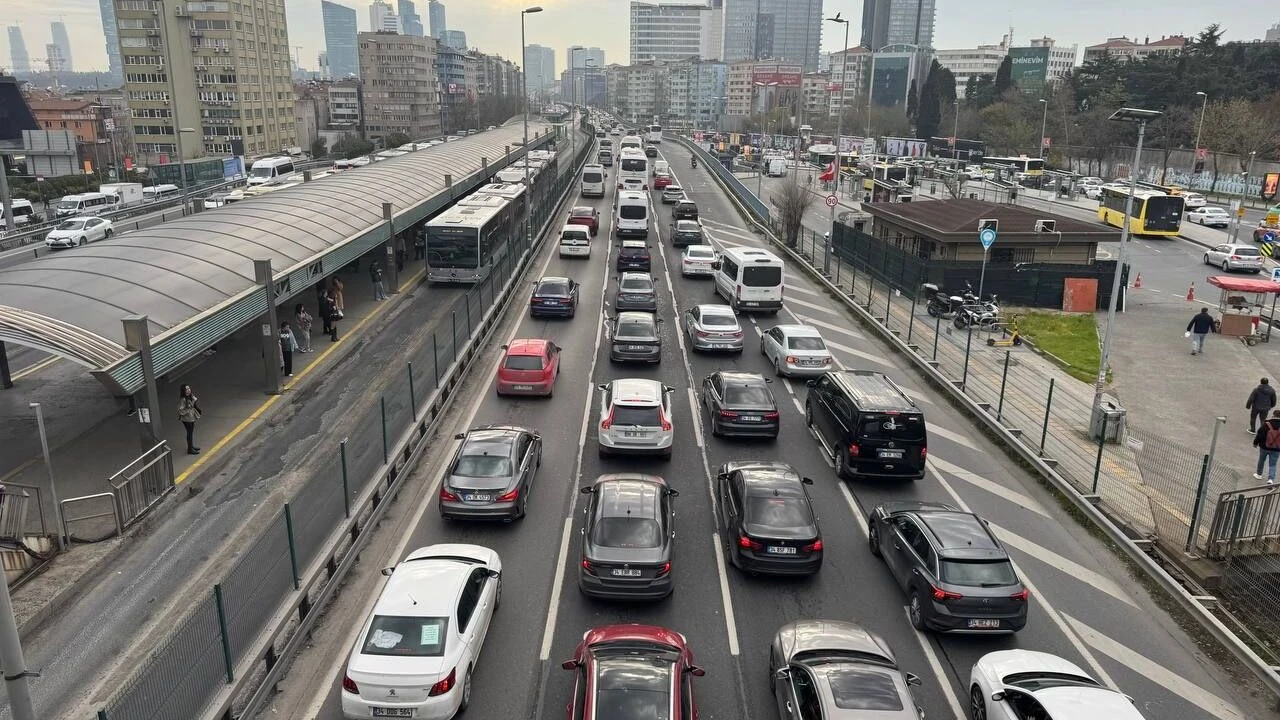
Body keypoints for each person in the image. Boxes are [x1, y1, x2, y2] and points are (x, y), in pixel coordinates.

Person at [1253, 408, 1280, 484]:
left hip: (1264, 447)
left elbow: (1260, 434)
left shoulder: (1267, 424)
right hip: (1277, 449)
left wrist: (1255, 443)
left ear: (1273, 415)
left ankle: (1259, 474)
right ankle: (1270, 479)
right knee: (1273, 464)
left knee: (1261, 460)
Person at [177, 384, 202, 455]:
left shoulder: (190, 396)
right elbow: (181, 410)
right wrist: (189, 408)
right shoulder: (183, 399)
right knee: (189, 433)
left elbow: (193, 403)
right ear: (183, 391)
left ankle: (191, 446)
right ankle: (190, 449)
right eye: (186, 389)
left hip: (191, 417)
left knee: (191, 432)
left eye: (189, 389)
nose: (188, 390)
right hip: (187, 419)